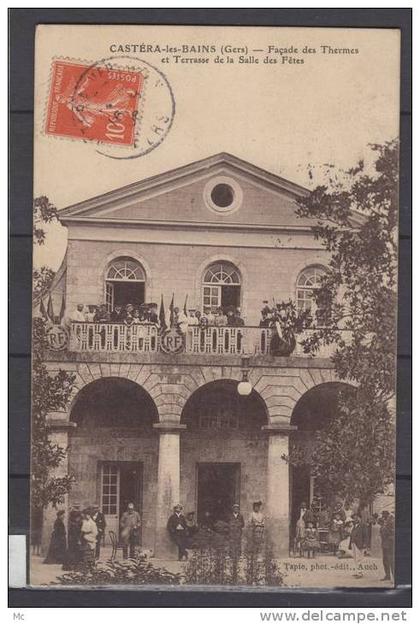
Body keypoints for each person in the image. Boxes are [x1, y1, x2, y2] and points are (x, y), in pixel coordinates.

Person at [64, 503, 82, 569]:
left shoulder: (73, 514)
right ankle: (73, 565)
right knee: (74, 549)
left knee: (72, 549)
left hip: (73, 534)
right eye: (76, 507)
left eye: (77, 507)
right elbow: (77, 524)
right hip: (74, 534)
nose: (76, 508)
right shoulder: (75, 514)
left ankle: (71, 565)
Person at [379, 510, 395, 581]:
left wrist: (390, 537)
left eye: (384, 515)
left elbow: (393, 532)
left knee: (391, 560)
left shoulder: (392, 521)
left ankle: (394, 577)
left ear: (387, 515)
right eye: (382, 515)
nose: (383, 516)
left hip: (390, 544)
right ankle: (387, 576)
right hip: (384, 544)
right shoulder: (384, 522)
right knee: (385, 560)